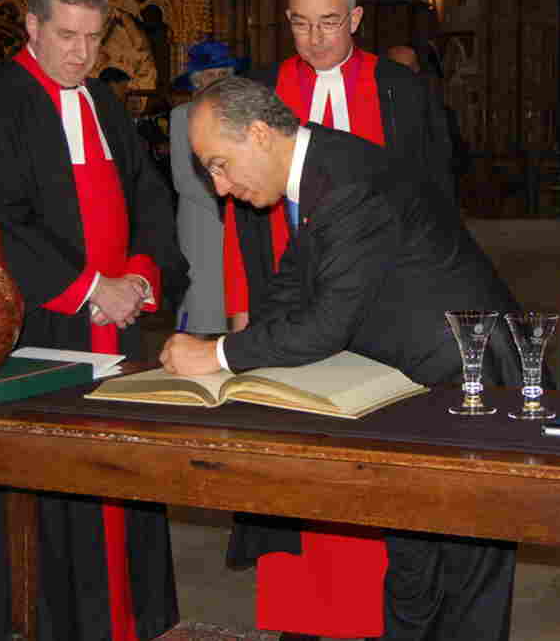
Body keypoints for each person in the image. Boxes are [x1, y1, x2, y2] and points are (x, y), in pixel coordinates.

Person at [163, 75, 521, 641]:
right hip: (423, 378)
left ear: (258, 134)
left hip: (470, 377)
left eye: (219, 164)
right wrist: (236, 351)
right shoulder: (320, 166)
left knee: (464, 567)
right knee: (412, 559)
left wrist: (219, 355)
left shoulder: (347, 182)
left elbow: (325, 326)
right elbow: (296, 282)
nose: (221, 186)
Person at [0, 0, 189, 641]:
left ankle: (125, 621)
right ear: (32, 27)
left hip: (117, 326)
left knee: (118, 477)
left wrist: (139, 276)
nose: (80, 53)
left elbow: (150, 196)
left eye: (92, 38)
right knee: (43, 496)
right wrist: (87, 289)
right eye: (67, 36)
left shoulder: (105, 103)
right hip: (36, 331)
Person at [223, 0, 454, 639]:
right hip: (287, 308)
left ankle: (379, 615)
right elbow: (234, 214)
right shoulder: (262, 92)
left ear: (355, 19)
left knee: (376, 462)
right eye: (300, 23)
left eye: (329, 22)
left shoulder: (401, 92)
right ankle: (301, 618)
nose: (315, 39)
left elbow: (434, 205)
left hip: (384, 311)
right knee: (297, 467)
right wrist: (242, 304)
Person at [170, 38, 248, 336]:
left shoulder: (241, 114)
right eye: (210, 75)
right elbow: (183, 178)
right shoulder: (182, 116)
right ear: (196, 80)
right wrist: (221, 204)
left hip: (240, 210)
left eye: (222, 75)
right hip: (202, 218)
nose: (216, 82)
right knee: (203, 293)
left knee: (236, 291)